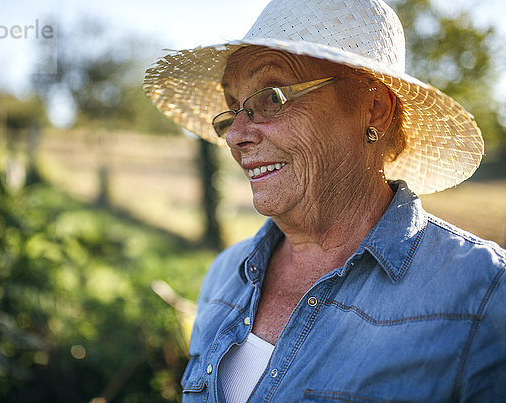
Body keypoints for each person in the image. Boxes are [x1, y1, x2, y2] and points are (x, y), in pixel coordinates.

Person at [143, 0, 506, 400]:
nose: (234, 136)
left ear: (374, 108)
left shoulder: (482, 296)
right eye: (233, 109)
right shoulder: (225, 276)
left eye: (272, 98)